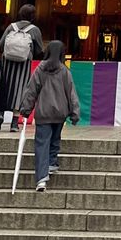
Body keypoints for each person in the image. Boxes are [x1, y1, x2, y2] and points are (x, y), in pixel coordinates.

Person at [17, 40, 80, 193]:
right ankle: (52, 163)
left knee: (41, 144)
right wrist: (75, 113)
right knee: (55, 139)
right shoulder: (65, 71)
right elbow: (71, 94)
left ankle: (41, 179)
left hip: (43, 112)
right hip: (60, 113)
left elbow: (31, 91)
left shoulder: (40, 70)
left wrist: (25, 109)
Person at [0, 4, 43, 132]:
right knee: (19, 90)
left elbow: (1, 43)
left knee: (4, 88)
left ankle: (0, 115)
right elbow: (39, 49)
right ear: (32, 16)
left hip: (7, 62)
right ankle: (14, 123)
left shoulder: (11, 27)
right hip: (23, 64)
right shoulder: (34, 30)